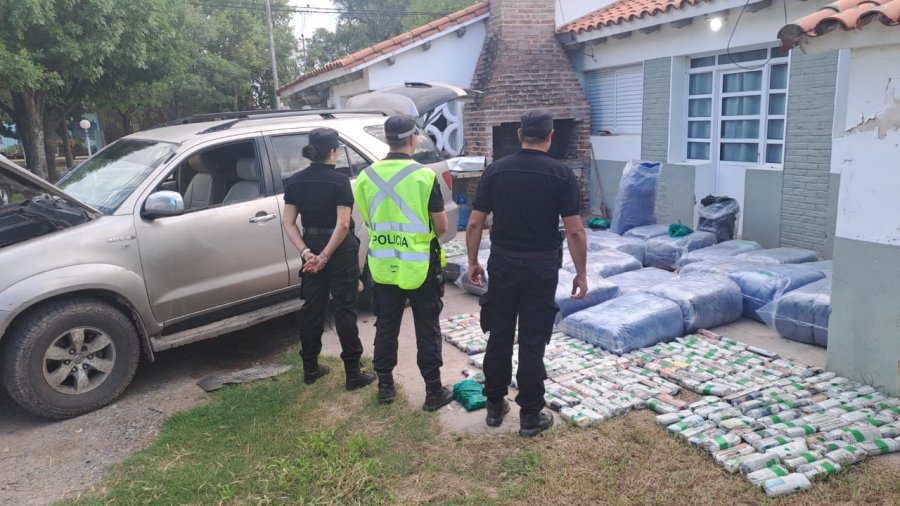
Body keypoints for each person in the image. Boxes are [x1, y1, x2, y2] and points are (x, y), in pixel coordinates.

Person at [466, 109, 588, 437]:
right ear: (550, 137)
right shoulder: (562, 175)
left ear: (520, 135)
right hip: (541, 267)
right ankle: (530, 417)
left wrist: (473, 261)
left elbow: (476, 222)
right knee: (533, 341)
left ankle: (494, 406)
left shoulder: (496, 172)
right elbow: (575, 231)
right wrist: (581, 273)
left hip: (503, 264)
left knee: (500, 334)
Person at [353, 115, 454, 412]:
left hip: (382, 265)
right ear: (413, 139)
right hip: (420, 265)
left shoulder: (365, 177)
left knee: (386, 325)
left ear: (387, 140)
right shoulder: (423, 176)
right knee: (427, 327)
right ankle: (433, 392)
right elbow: (441, 226)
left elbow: (371, 219)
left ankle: (385, 387)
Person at [282, 127, 376, 390]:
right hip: (339, 249)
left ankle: (310, 368)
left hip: (310, 246)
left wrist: (307, 253)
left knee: (312, 309)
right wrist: (325, 256)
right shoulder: (339, 181)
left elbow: (288, 223)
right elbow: (343, 224)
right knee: (345, 309)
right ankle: (353, 374)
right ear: (333, 151)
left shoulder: (295, 181)